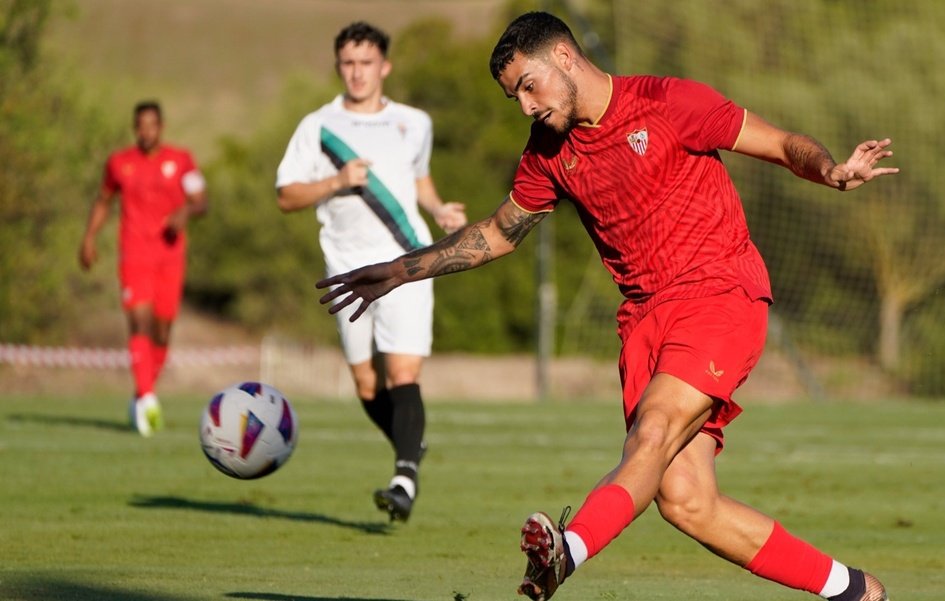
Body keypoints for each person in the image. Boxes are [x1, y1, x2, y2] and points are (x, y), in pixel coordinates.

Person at [318, 10, 898, 601]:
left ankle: (565, 553)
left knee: (654, 430)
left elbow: (778, 143)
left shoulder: (669, 102)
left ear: (565, 58)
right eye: (513, 96)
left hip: (719, 293)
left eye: (528, 86)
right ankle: (855, 592)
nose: (525, 106)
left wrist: (829, 168)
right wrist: (400, 270)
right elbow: (498, 233)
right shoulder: (548, 150)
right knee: (686, 501)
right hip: (644, 320)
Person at [276, 21, 467, 522]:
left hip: (406, 261)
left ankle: (404, 475)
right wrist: (337, 180)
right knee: (366, 384)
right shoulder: (318, 126)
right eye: (348, 63)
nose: (357, 73)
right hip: (348, 268)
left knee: (403, 371)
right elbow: (286, 195)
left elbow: (419, 181)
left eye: (366, 63)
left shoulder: (414, 122)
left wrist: (440, 208)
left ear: (385, 66)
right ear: (338, 66)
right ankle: (410, 445)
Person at [79, 100, 208, 437]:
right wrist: (89, 237)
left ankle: (140, 392)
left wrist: (186, 212)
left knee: (162, 332)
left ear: (161, 127)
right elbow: (104, 200)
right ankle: (149, 399)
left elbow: (201, 200)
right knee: (139, 322)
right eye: (140, 126)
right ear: (134, 127)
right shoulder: (119, 163)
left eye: (152, 125)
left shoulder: (181, 161)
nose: (146, 131)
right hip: (135, 254)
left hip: (170, 256)